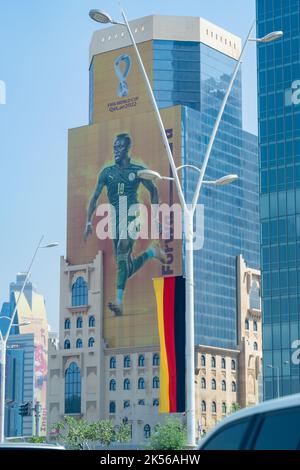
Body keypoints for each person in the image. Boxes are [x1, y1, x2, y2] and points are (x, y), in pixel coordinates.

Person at [84, 133, 167, 316]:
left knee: (123, 243)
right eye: (114, 146)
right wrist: (89, 221)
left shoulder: (137, 170)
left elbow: (153, 190)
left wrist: (154, 218)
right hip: (115, 220)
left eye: (120, 147)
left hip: (134, 215)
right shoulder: (107, 173)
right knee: (124, 267)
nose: (116, 150)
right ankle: (153, 253)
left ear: (128, 149)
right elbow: (95, 196)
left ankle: (119, 302)